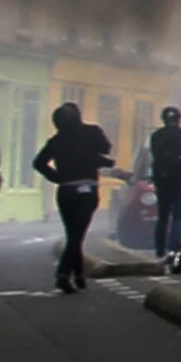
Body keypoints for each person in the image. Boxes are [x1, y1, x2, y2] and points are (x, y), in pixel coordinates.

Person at [32, 102, 115, 291]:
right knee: (77, 235)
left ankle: (78, 274)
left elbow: (38, 163)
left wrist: (57, 177)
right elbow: (106, 148)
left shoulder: (56, 140)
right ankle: (63, 274)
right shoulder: (92, 132)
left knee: (73, 234)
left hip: (66, 191)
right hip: (87, 189)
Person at [145, 106, 181, 261]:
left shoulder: (156, 136)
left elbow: (155, 154)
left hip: (162, 180)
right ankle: (173, 248)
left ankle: (159, 249)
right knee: (178, 216)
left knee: (162, 216)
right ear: (178, 119)